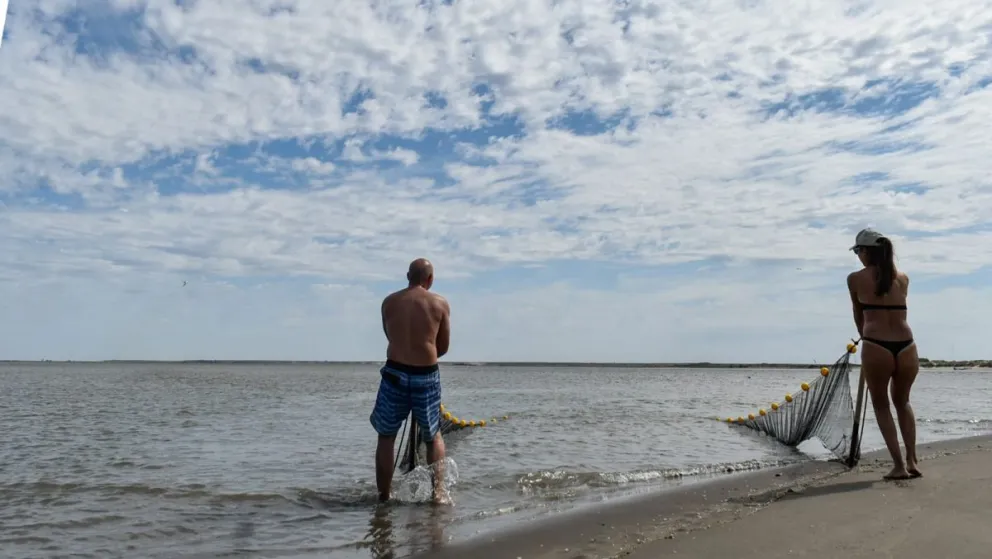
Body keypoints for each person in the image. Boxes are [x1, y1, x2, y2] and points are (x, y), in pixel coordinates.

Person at [369, 258, 451, 503]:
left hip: (394, 373)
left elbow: (390, 335)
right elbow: (443, 347)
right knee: (433, 435)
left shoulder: (389, 303)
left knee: (386, 436)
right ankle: (438, 495)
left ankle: (384, 495)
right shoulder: (440, 303)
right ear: (430, 279)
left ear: (407, 276)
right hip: (426, 375)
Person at [846, 228, 921, 480]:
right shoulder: (903, 278)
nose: (857, 255)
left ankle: (899, 466)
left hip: (876, 344)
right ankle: (912, 460)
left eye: (858, 250)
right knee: (903, 401)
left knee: (881, 404)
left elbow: (859, 316)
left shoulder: (855, 279)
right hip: (907, 345)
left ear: (866, 251)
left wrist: (864, 338)